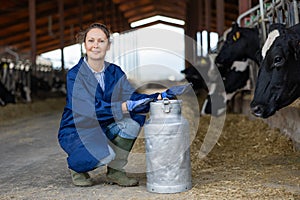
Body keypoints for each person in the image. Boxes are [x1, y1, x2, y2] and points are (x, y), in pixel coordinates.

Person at [58, 22, 191, 187]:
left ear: (108, 45)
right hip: (78, 129)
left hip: (105, 125)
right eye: (91, 41)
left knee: (132, 123)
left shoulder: (115, 72)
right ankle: (77, 168)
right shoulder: (74, 75)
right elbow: (88, 109)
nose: (95, 46)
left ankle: (115, 172)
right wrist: (122, 107)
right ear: (84, 44)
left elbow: (132, 98)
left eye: (101, 41)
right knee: (103, 154)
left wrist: (157, 97)